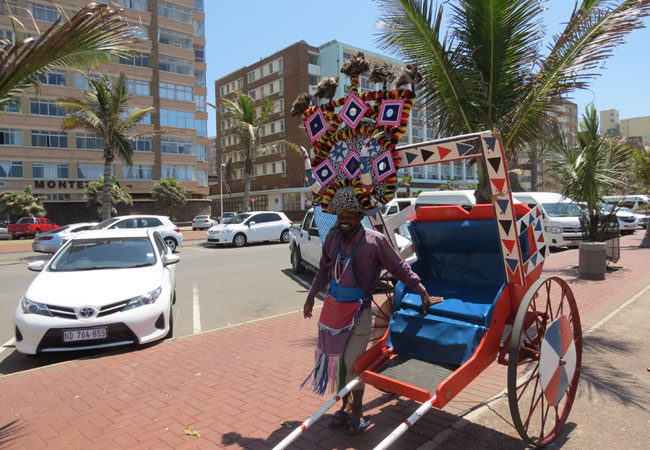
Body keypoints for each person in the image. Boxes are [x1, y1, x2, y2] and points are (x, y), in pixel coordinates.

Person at [303, 203, 442, 435]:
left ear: (360, 216)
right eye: (340, 214)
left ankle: (357, 415)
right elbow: (323, 271)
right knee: (338, 363)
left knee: (354, 364)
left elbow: (400, 268)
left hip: (359, 311)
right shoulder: (332, 238)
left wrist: (422, 292)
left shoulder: (375, 240)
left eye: (349, 214)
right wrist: (310, 296)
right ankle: (345, 407)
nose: (343, 218)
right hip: (333, 310)